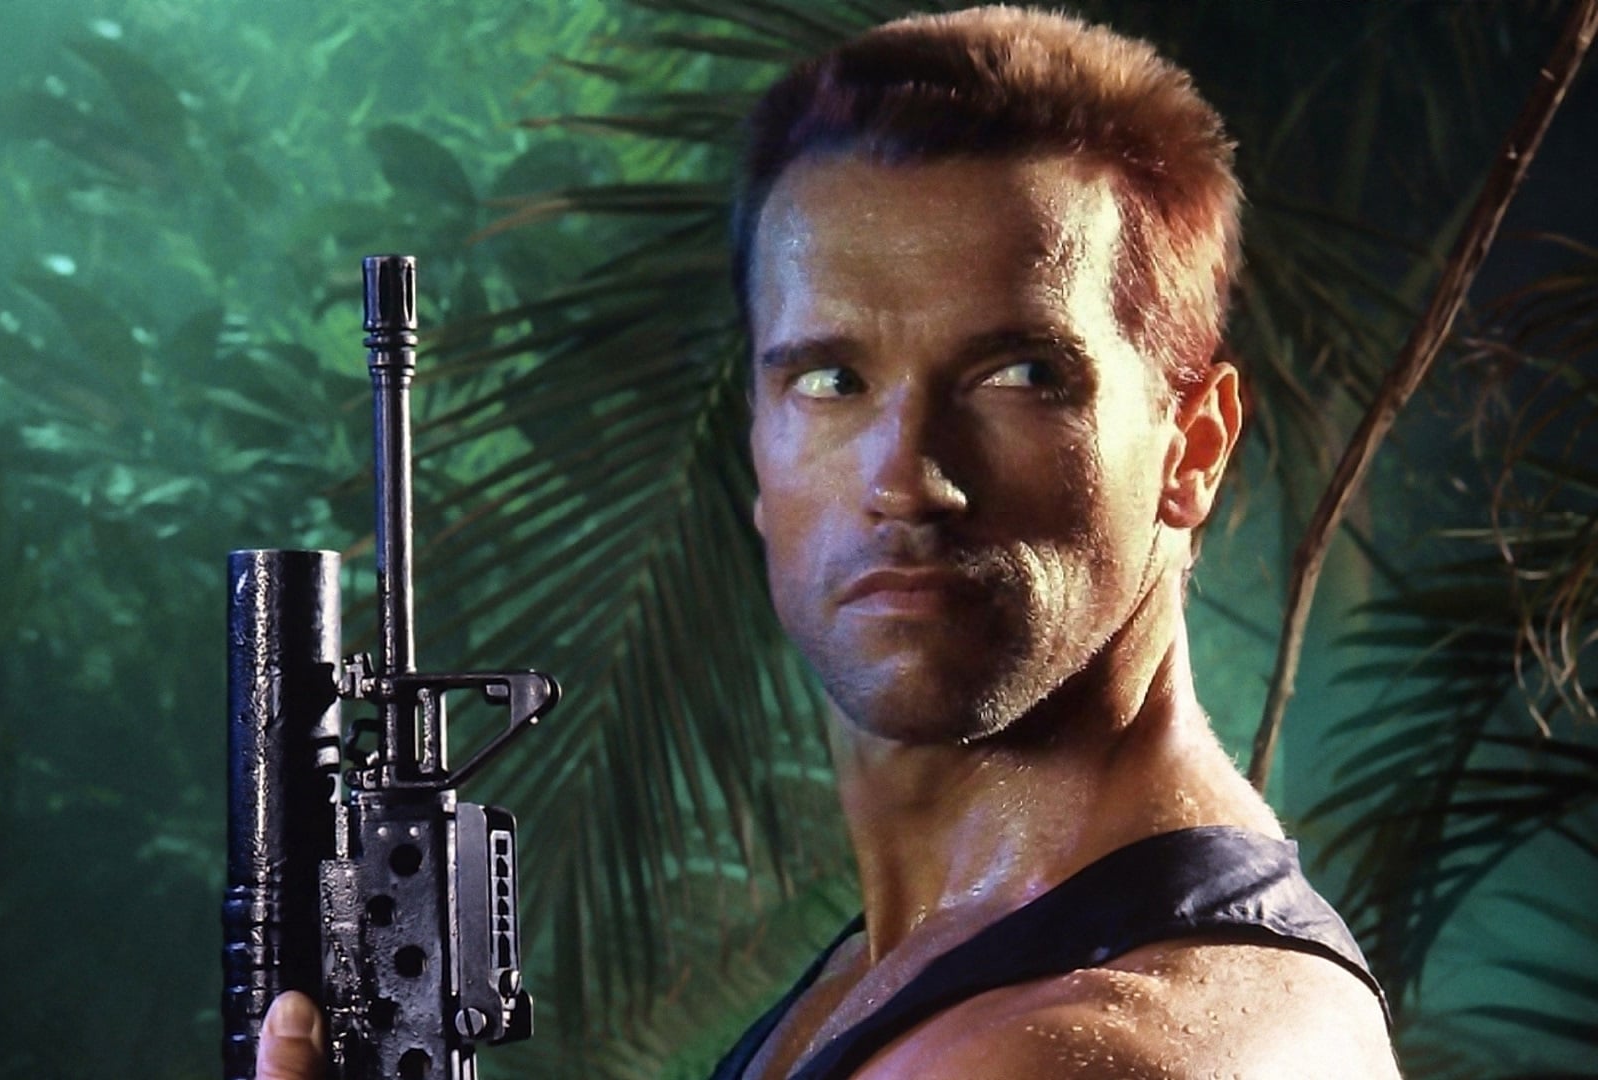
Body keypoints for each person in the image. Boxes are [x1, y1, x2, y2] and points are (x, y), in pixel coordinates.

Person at [259, 6, 1401, 1078]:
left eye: (1019, 375)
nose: (904, 478)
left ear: (1194, 445)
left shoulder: (1101, 1044)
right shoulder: (893, 974)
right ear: (757, 446)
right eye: (830, 380)